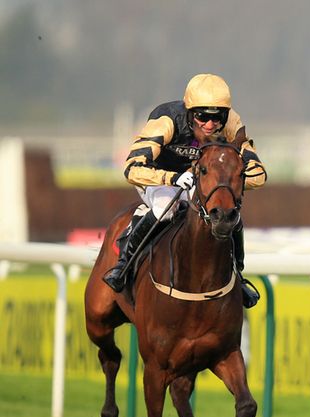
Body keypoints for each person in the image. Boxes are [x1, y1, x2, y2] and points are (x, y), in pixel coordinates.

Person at [103, 73, 267, 308]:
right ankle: (123, 265)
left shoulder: (232, 123)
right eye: (202, 117)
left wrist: (229, 180)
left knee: (228, 213)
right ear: (190, 112)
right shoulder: (167, 121)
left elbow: (258, 174)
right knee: (165, 208)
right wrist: (173, 178)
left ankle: (237, 275)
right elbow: (132, 169)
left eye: (217, 117)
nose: (210, 125)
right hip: (157, 177)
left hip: (199, 179)